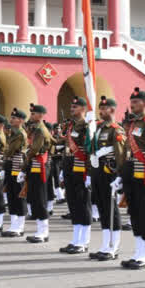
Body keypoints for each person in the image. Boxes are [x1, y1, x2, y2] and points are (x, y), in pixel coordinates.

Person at [115, 87, 145, 269]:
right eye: (131, 102)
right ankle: (138, 253)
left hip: (143, 176)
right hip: (131, 174)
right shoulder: (133, 124)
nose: (132, 105)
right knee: (134, 214)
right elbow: (127, 151)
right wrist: (121, 174)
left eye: (136, 102)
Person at [89, 96, 126, 260]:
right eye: (100, 108)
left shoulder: (116, 129)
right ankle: (105, 245)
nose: (101, 111)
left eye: (104, 109)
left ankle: (113, 247)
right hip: (98, 171)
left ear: (112, 110)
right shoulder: (99, 128)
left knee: (111, 209)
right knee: (103, 209)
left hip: (109, 172)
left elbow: (120, 155)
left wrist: (119, 176)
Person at [60, 96, 93, 254]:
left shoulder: (86, 126)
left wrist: (89, 173)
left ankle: (84, 241)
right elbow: (67, 147)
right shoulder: (71, 125)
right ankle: (75, 239)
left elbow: (88, 150)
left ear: (83, 109)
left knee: (82, 202)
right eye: (72, 107)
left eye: (75, 107)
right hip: (69, 165)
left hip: (80, 167)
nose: (72, 109)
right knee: (72, 202)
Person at [25, 104, 53, 243]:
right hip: (36, 164)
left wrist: (26, 156)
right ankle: (39, 230)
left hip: (40, 165)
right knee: (35, 197)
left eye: (34, 114)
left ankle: (44, 232)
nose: (31, 116)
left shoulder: (41, 130)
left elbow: (34, 149)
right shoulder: (35, 129)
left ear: (41, 115)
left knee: (40, 198)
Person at [2, 108, 28, 237]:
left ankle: (20, 226)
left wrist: (5, 154)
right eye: (11, 118)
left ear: (21, 120)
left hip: (17, 166)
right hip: (10, 164)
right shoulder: (13, 133)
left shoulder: (20, 134)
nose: (11, 120)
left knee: (18, 196)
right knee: (11, 195)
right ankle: (13, 224)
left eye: (14, 118)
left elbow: (10, 150)